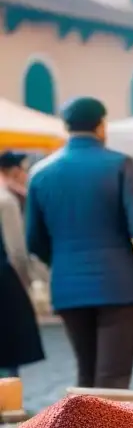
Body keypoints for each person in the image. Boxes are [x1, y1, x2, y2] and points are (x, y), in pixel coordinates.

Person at [25, 97, 133, 388]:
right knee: (113, 377)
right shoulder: (120, 165)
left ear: (66, 127)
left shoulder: (40, 174)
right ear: (102, 125)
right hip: (118, 284)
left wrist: (62, 259)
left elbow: (33, 240)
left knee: (85, 374)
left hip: (67, 284)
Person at [0, 156, 44, 378]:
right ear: (14, 170)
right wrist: (25, 282)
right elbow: (16, 249)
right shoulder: (6, 200)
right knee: (8, 347)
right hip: (4, 280)